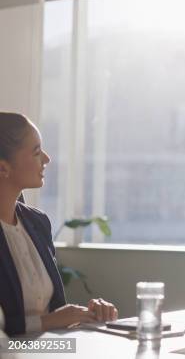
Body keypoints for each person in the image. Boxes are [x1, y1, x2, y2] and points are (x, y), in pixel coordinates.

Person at [0, 112, 118, 336]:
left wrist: (88, 314)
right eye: (36, 152)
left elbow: (56, 316)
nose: (46, 158)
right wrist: (48, 322)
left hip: (51, 350)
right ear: (3, 168)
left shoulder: (37, 223)